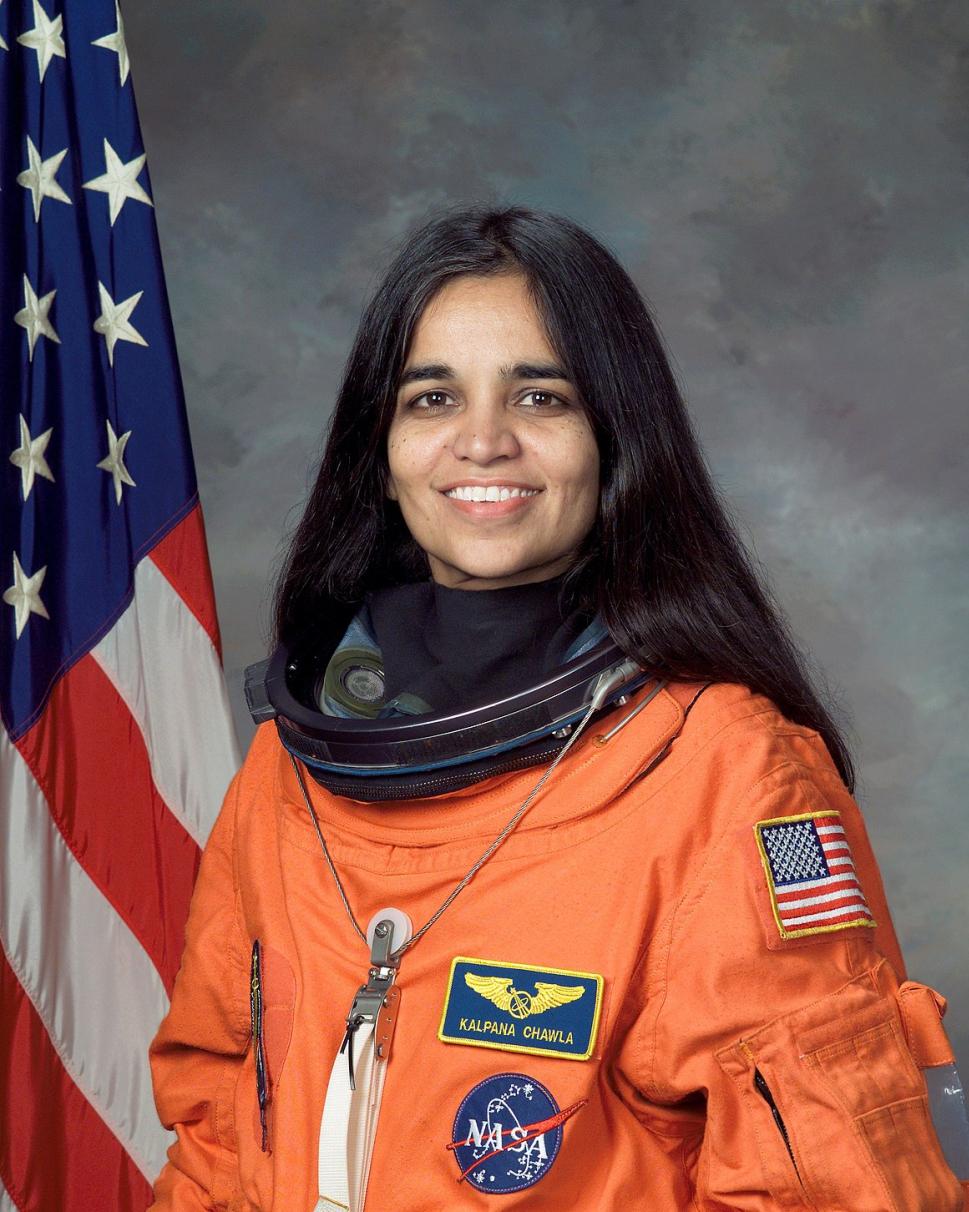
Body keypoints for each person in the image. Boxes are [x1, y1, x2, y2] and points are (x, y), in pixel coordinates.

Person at [147, 206, 968, 1211]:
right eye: (432, 398)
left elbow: (832, 1187)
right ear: (382, 453)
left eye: (539, 396)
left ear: (614, 439)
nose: (482, 442)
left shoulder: (728, 775)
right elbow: (216, 1139)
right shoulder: (293, 767)